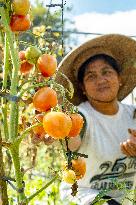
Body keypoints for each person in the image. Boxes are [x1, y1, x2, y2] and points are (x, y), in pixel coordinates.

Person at [57, 34, 136, 205]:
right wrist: (58, 130)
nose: (101, 80)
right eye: (91, 76)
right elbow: (71, 141)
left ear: (120, 79)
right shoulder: (80, 116)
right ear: (83, 88)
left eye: (106, 72)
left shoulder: (133, 115)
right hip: (83, 195)